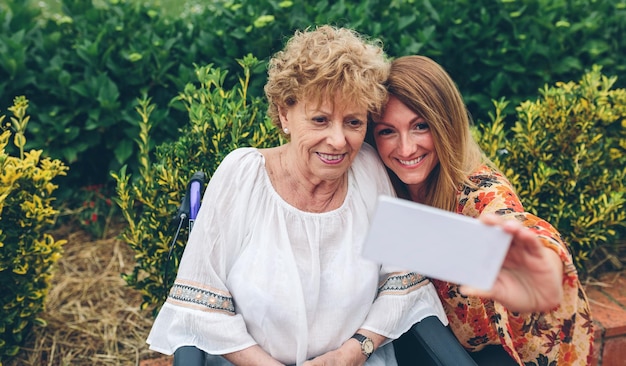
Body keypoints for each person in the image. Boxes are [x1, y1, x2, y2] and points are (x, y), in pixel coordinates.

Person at [146, 27, 447, 365]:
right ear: (285, 113)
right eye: (320, 119)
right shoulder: (243, 175)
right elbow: (199, 306)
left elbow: (401, 283)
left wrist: (353, 351)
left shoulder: (367, 170)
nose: (338, 140)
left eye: (353, 122)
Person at [368, 55, 594, 365]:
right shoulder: (379, 185)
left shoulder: (477, 191)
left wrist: (541, 265)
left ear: (446, 125)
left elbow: (513, 225)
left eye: (420, 126)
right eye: (387, 131)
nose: (406, 148)